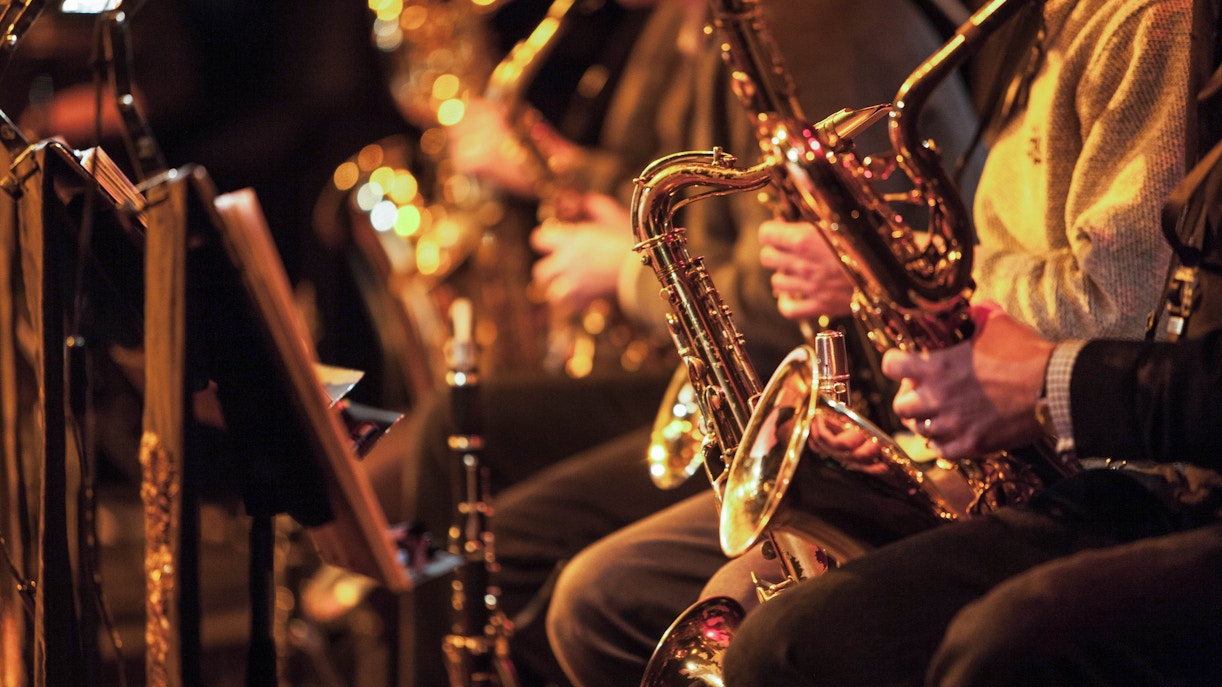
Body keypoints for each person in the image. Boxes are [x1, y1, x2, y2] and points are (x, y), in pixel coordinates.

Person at [716, 0, 1222, 684]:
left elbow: (1125, 308)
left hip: (1117, 457)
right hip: (1042, 432)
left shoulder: (1145, 19)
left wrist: (913, 274)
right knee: (738, 599)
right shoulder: (1040, 24)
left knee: (786, 640)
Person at [536, 0, 992, 685]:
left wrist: (628, 277)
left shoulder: (818, 22)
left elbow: (785, 294)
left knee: (613, 593)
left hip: (932, 419)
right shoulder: (705, 26)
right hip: (865, 404)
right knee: (590, 586)